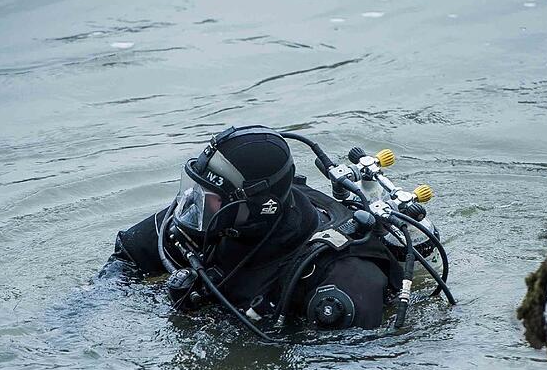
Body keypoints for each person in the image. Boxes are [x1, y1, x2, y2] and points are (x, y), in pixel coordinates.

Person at [103, 125, 407, 331]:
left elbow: (353, 366)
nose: (195, 204)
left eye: (211, 198)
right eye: (197, 190)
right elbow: (125, 258)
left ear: (259, 206)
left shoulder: (344, 277)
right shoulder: (204, 218)